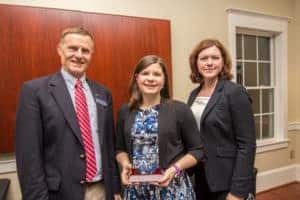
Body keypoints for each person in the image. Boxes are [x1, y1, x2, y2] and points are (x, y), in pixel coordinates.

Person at [16, 27, 121, 200]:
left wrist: (116, 189)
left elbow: (109, 144)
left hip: (102, 190)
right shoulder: (34, 91)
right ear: (60, 50)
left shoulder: (103, 93)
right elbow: (29, 157)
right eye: (72, 48)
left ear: (91, 54)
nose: (79, 55)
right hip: (59, 194)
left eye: (85, 50)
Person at [115, 55, 206, 199]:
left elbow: (197, 150)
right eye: (145, 73)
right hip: (136, 192)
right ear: (137, 78)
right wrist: (125, 163)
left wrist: (174, 169)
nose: (151, 78)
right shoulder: (125, 111)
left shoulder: (179, 110)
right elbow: (120, 149)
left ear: (163, 80)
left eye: (157, 74)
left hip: (173, 190)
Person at [187, 39, 256, 200]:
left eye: (215, 58)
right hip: (200, 176)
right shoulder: (194, 94)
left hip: (227, 180)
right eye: (204, 58)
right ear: (196, 62)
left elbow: (247, 145)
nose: (209, 63)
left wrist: (238, 192)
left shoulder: (235, 92)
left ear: (223, 61)